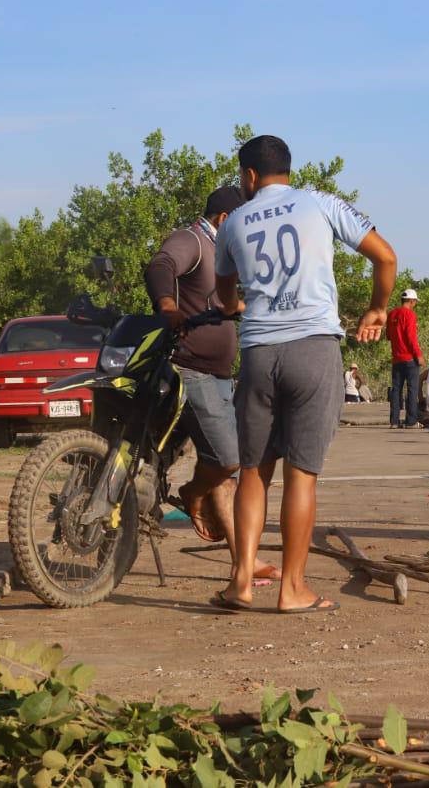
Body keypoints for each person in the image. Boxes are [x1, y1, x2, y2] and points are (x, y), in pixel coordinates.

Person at [212, 135, 396, 613]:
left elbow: (224, 297)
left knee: (254, 472)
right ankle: (292, 589)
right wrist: (377, 310)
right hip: (313, 349)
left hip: (257, 352)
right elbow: (386, 256)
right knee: (302, 474)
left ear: (249, 176)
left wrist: (242, 304)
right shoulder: (320, 203)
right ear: (287, 169)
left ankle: (240, 584)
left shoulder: (232, 224)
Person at [143, 185, 279, 582]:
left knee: (228, 473)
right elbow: (160, 265)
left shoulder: (223, 253)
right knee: (229, 459)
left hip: (219, 376)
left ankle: (243, 564)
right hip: (190, 369)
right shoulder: (194, 241)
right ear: (224, 219)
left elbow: (220, 302)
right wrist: (167, 307)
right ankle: (192, 493)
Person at [387, 288, 423, 428]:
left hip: (396, 358)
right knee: (412, 389)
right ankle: (411, 421)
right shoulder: (410, 314)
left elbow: (389, 336)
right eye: (415, 302)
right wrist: (418, 355)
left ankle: (394, 421)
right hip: (409, 358)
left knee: (396, 390)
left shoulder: (391, 314)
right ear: (412, 301)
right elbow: (410, 337)